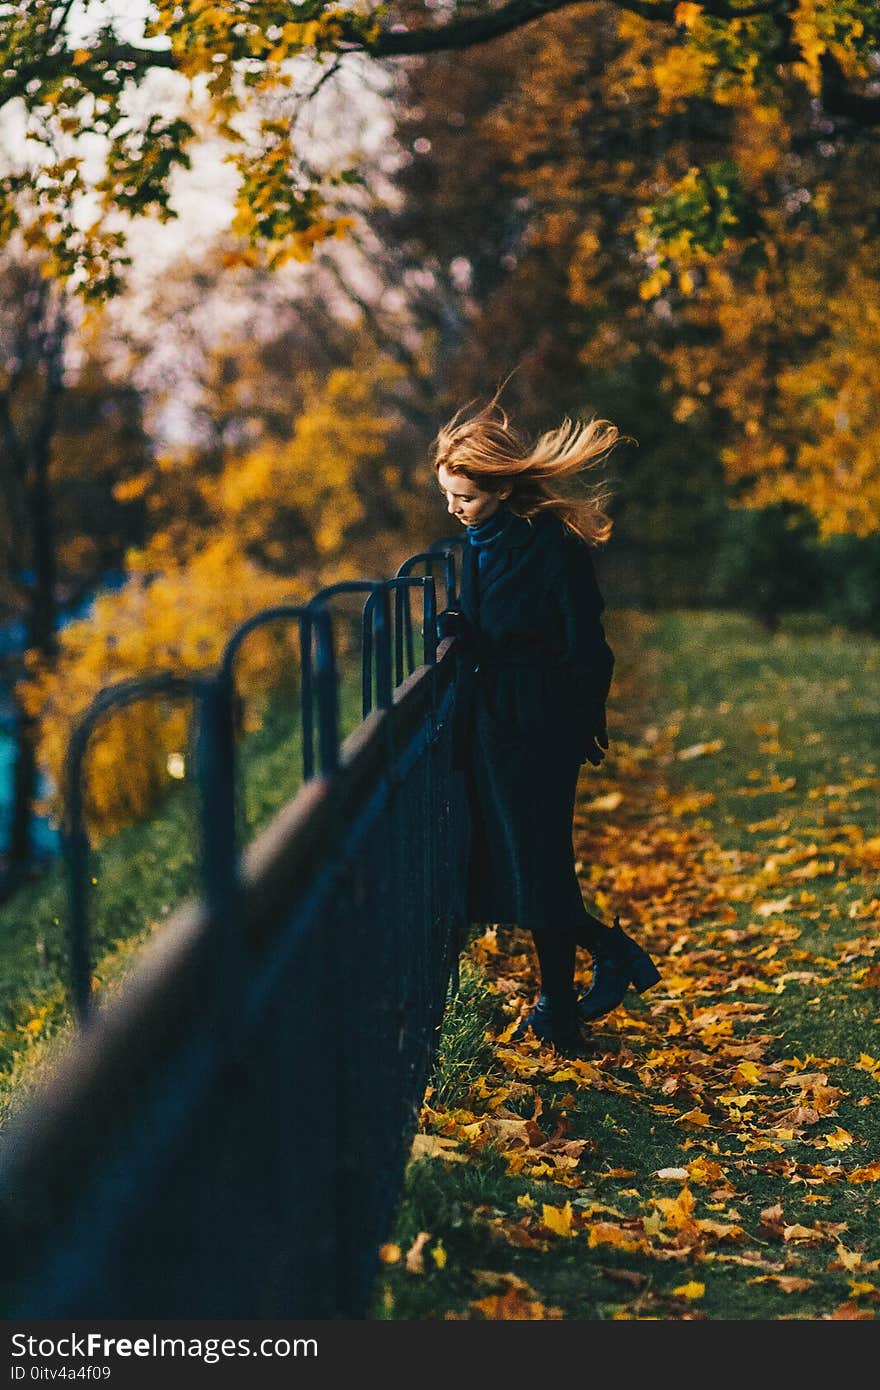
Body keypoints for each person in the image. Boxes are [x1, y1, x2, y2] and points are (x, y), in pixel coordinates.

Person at [432, 395, 660, 1052]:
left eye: (465, 497)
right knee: (514, 862)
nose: (454, 509)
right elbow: (485, 625)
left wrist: (585, 719)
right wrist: (459, 629)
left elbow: (586, 643)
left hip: (539, 721)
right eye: (449, 495)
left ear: (500, 488)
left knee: (539, 862)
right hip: (493, 722)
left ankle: (560, 1004)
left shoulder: (551, 545)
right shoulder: (475, 547)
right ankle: (599, 960)